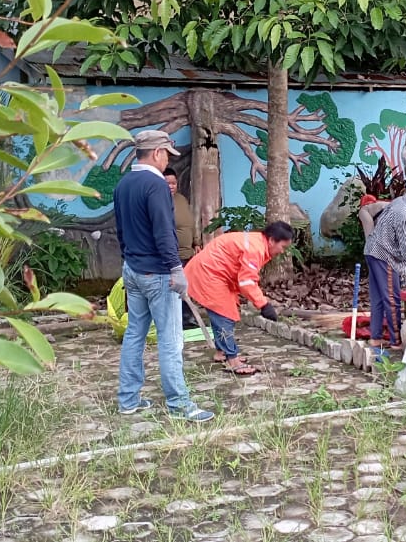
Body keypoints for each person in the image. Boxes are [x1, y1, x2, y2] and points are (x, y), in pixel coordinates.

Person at [113, 130, 214, 423]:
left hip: (132, 270)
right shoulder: (155, 184)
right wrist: (175, 268)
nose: (168, 158)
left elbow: (121, 231)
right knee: (171, 341)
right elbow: (163, 230)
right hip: (158, 274)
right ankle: (180, 405)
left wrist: (129, 259)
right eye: (167, 153)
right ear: (157, 152)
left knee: (134, 335)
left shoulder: (124, 184)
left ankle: (128, 400)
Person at [185, 221, 294, 376]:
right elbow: (247, 282)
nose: (282, 251)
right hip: (209, 275)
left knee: (224, 312)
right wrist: (263, 305)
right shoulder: (255, 248)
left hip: (212, 273)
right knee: (225, 315)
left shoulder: (257, 242)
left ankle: (221, 351)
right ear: (271, 240)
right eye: (282, 247)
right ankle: (233, 361)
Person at [363, 188, 406, 357]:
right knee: (392, 300)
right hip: (384, 256)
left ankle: (375, 338)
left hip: (372, 251)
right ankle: (396, 342)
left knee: (378, 298)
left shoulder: (401, 201)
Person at [164, 168, 201, 330]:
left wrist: (196, 242)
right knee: (174, 288)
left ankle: (187, 318)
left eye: (173, 183)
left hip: (188, 252)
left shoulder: (181, 199)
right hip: (172, 255)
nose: (171, 186)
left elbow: (190, 224)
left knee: (188, 286)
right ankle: (174, 321)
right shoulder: (158, 201)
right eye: (167, 183)